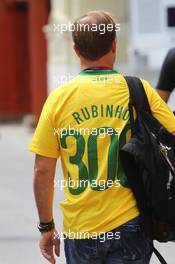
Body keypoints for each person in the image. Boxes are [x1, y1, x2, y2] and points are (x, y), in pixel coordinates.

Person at [28, 11, 175, 264]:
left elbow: (43, 169)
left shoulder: (58, 99)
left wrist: (46, 227)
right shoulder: (138, 89)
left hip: (81, 228)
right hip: (132, 224)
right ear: (115, 44)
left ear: (75, 50)